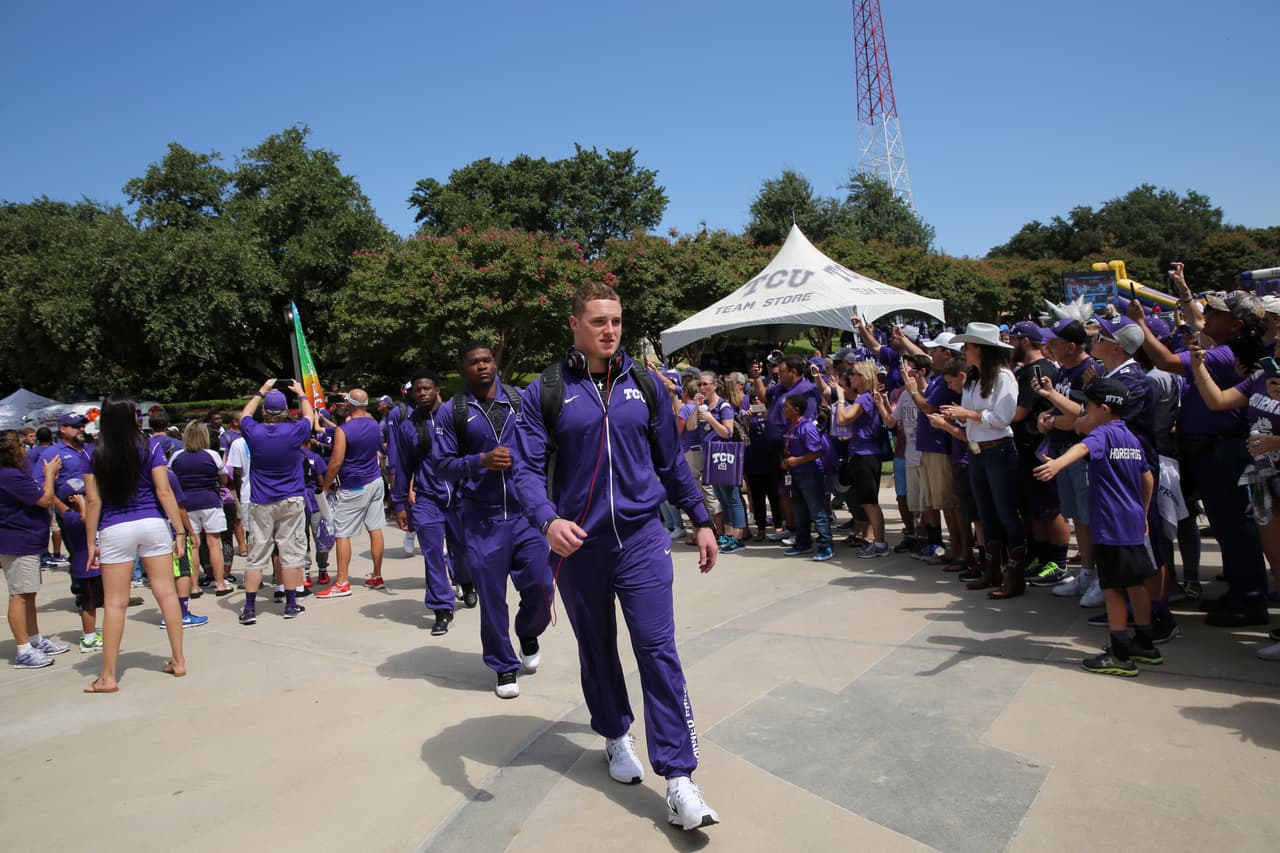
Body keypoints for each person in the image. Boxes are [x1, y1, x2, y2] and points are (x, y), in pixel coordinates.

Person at [512, 282, 721, 831]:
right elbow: (527, 468)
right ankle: (614, 733)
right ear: (575, 325)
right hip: (580, 546)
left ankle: (679, 778)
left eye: (617, 321)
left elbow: (672, 461)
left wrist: (700, 519)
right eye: (599, 321)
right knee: (598, 647)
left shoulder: (647, 386)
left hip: (643, 540)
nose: (610, 331)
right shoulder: (547, 391)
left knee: (658, 650)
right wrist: (547, 519)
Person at [433, 344, 553, 692]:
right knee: (491, 596)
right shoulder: (452, 411)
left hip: (527, 514)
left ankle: (528, 632)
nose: (482, 366)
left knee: (542, 586)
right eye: (474, 362)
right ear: (463, 367)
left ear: (495, 363)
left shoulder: (520, 400)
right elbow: (441, 466)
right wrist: (479, 461)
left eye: (487, 360)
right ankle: (503, 665)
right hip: (482, 519)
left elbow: (545, 444)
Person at [1034, 379, 1162, 676]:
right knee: (1136, 583)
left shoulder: (1101, 434)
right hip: (1131, 520)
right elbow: (1148, 479)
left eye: (1087, 408)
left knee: (1113, 589)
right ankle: (1145, 643)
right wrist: (1142, 512)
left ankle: (1119, 653)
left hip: (1110, 523)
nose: (1084, 414)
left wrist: (1057, 465)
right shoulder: (1130, 437)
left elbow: (1081, 447)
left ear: (1104, 409)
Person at [82, 394, 188, 692]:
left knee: (115, 603)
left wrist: (91, 542)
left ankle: (108, 676)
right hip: (152, 522)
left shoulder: (93, 453)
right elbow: (163, 490)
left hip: (114, 526)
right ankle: (178, 660)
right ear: (132, 418)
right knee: (167, 594)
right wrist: (179, 530)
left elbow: (93, 500)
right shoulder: (150, 446)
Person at [940, 323, 1024, 597]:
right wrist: (961, 415)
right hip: (978, 450)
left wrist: (968, 414)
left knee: (1006, 513)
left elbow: (1002, 418)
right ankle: (992, 569)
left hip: (998, 449)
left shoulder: (1003, 377)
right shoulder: (975, 378)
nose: (964, 350)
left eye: (969, 345)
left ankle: (1014, 574)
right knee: (987, 514)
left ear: (982, 349)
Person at [392, 370, 465, 635]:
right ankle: (442, 609)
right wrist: (399, 503)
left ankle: (465, 581)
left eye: (426, 388)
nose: (422, 393)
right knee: (432, 554)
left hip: (459, 497)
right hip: (427, 499)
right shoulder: (407, 427)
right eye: (417, 390)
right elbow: (402, 467)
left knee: (463, 549)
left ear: (436, 389)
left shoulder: (457, 418)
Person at [237, 381, 314, 624]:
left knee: (257, 553)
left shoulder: (254, 432)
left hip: (262, 500)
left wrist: (261, 390)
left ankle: (249, 608)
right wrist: (301, 393)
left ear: (265, 411)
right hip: (291, 498)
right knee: (291, 552)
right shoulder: (294, 432)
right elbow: (310, 416)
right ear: (284, 411)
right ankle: (291, 603)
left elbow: (245, 414)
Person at [0, 430, 68, 669]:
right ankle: (23, 650)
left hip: (26, 541)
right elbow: (45, 499)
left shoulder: (14, 475)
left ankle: (34, 640)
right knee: (19, 596)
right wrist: (50, 474)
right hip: (18, 542)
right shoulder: (10, 476)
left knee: (28, 593)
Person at [318, 389, 386, 595]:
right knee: (375, 528)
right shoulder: (374, 424)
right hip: (375, 480)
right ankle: (376, 575)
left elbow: (336, 462)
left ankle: (341, 582)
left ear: (350, 404)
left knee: (342, 533)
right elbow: (378, 451)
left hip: (354, 484)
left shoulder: (344, 430)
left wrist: (325, 485)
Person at [169, 420, 233, 595]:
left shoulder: (177, 456)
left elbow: (170, 479)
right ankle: (220, 583)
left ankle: (194, 586)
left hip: (186, 503)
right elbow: (224, 479)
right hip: (210, 500)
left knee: (194, 545)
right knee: (214, 543)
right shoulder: (212, 455)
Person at [834, 360, 887, 557]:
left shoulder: (864, 398)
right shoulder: (867, 397)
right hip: (862, 452)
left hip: (866, 455)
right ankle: (877, 541)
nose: (851, 377)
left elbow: (843, 419)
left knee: (869, 502)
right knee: (867, 501)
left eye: (855, 374)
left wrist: (840, 398)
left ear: (864, 377)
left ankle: (879, 543)